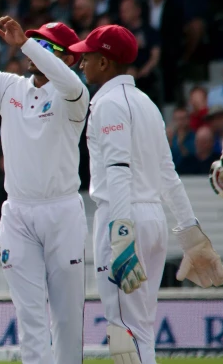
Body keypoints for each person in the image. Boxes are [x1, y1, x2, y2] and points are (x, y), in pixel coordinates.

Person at [0, 3, 89, 364]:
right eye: (35, 43)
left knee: (68, 318)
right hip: (18, 214)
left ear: (68, 58)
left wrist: (25, 43)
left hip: (63, 212)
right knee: (30, 317)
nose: (36, 49)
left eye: (47, 46)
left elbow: (70, 83)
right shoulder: (10, 88)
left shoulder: (74, 95)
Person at [73, 24, 223, 364]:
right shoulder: (147, 104)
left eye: (89, 56)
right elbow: (167, 174)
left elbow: (119, 171)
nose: (81, 62)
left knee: (123, 328)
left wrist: (121, 235)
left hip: (122, 218)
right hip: (151, 216)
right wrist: (190, 233)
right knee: (139, 326)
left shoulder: (110, 104)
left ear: (106, 62)